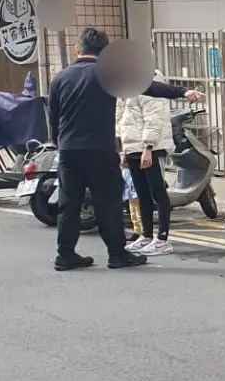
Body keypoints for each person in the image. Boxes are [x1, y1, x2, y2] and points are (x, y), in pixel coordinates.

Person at [47, 28, 204, 271]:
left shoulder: (60, 78)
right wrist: (183, 92)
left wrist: (59, 143)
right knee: (107, 204)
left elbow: (53, 118)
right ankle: (117, 255)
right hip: (99, 151)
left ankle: (65, 255)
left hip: (69, 152)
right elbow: (150, 87)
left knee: (69, 205)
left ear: (77, 50)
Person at [118, 68, 176, 256]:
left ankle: (163, 239)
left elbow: (154, 118)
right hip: (133, 148)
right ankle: (147, 235)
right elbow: (124, 119)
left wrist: (148, 147)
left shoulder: (151, 83)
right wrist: (124, 150)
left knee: (157, 192)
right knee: (142, 193)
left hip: (151, 148)